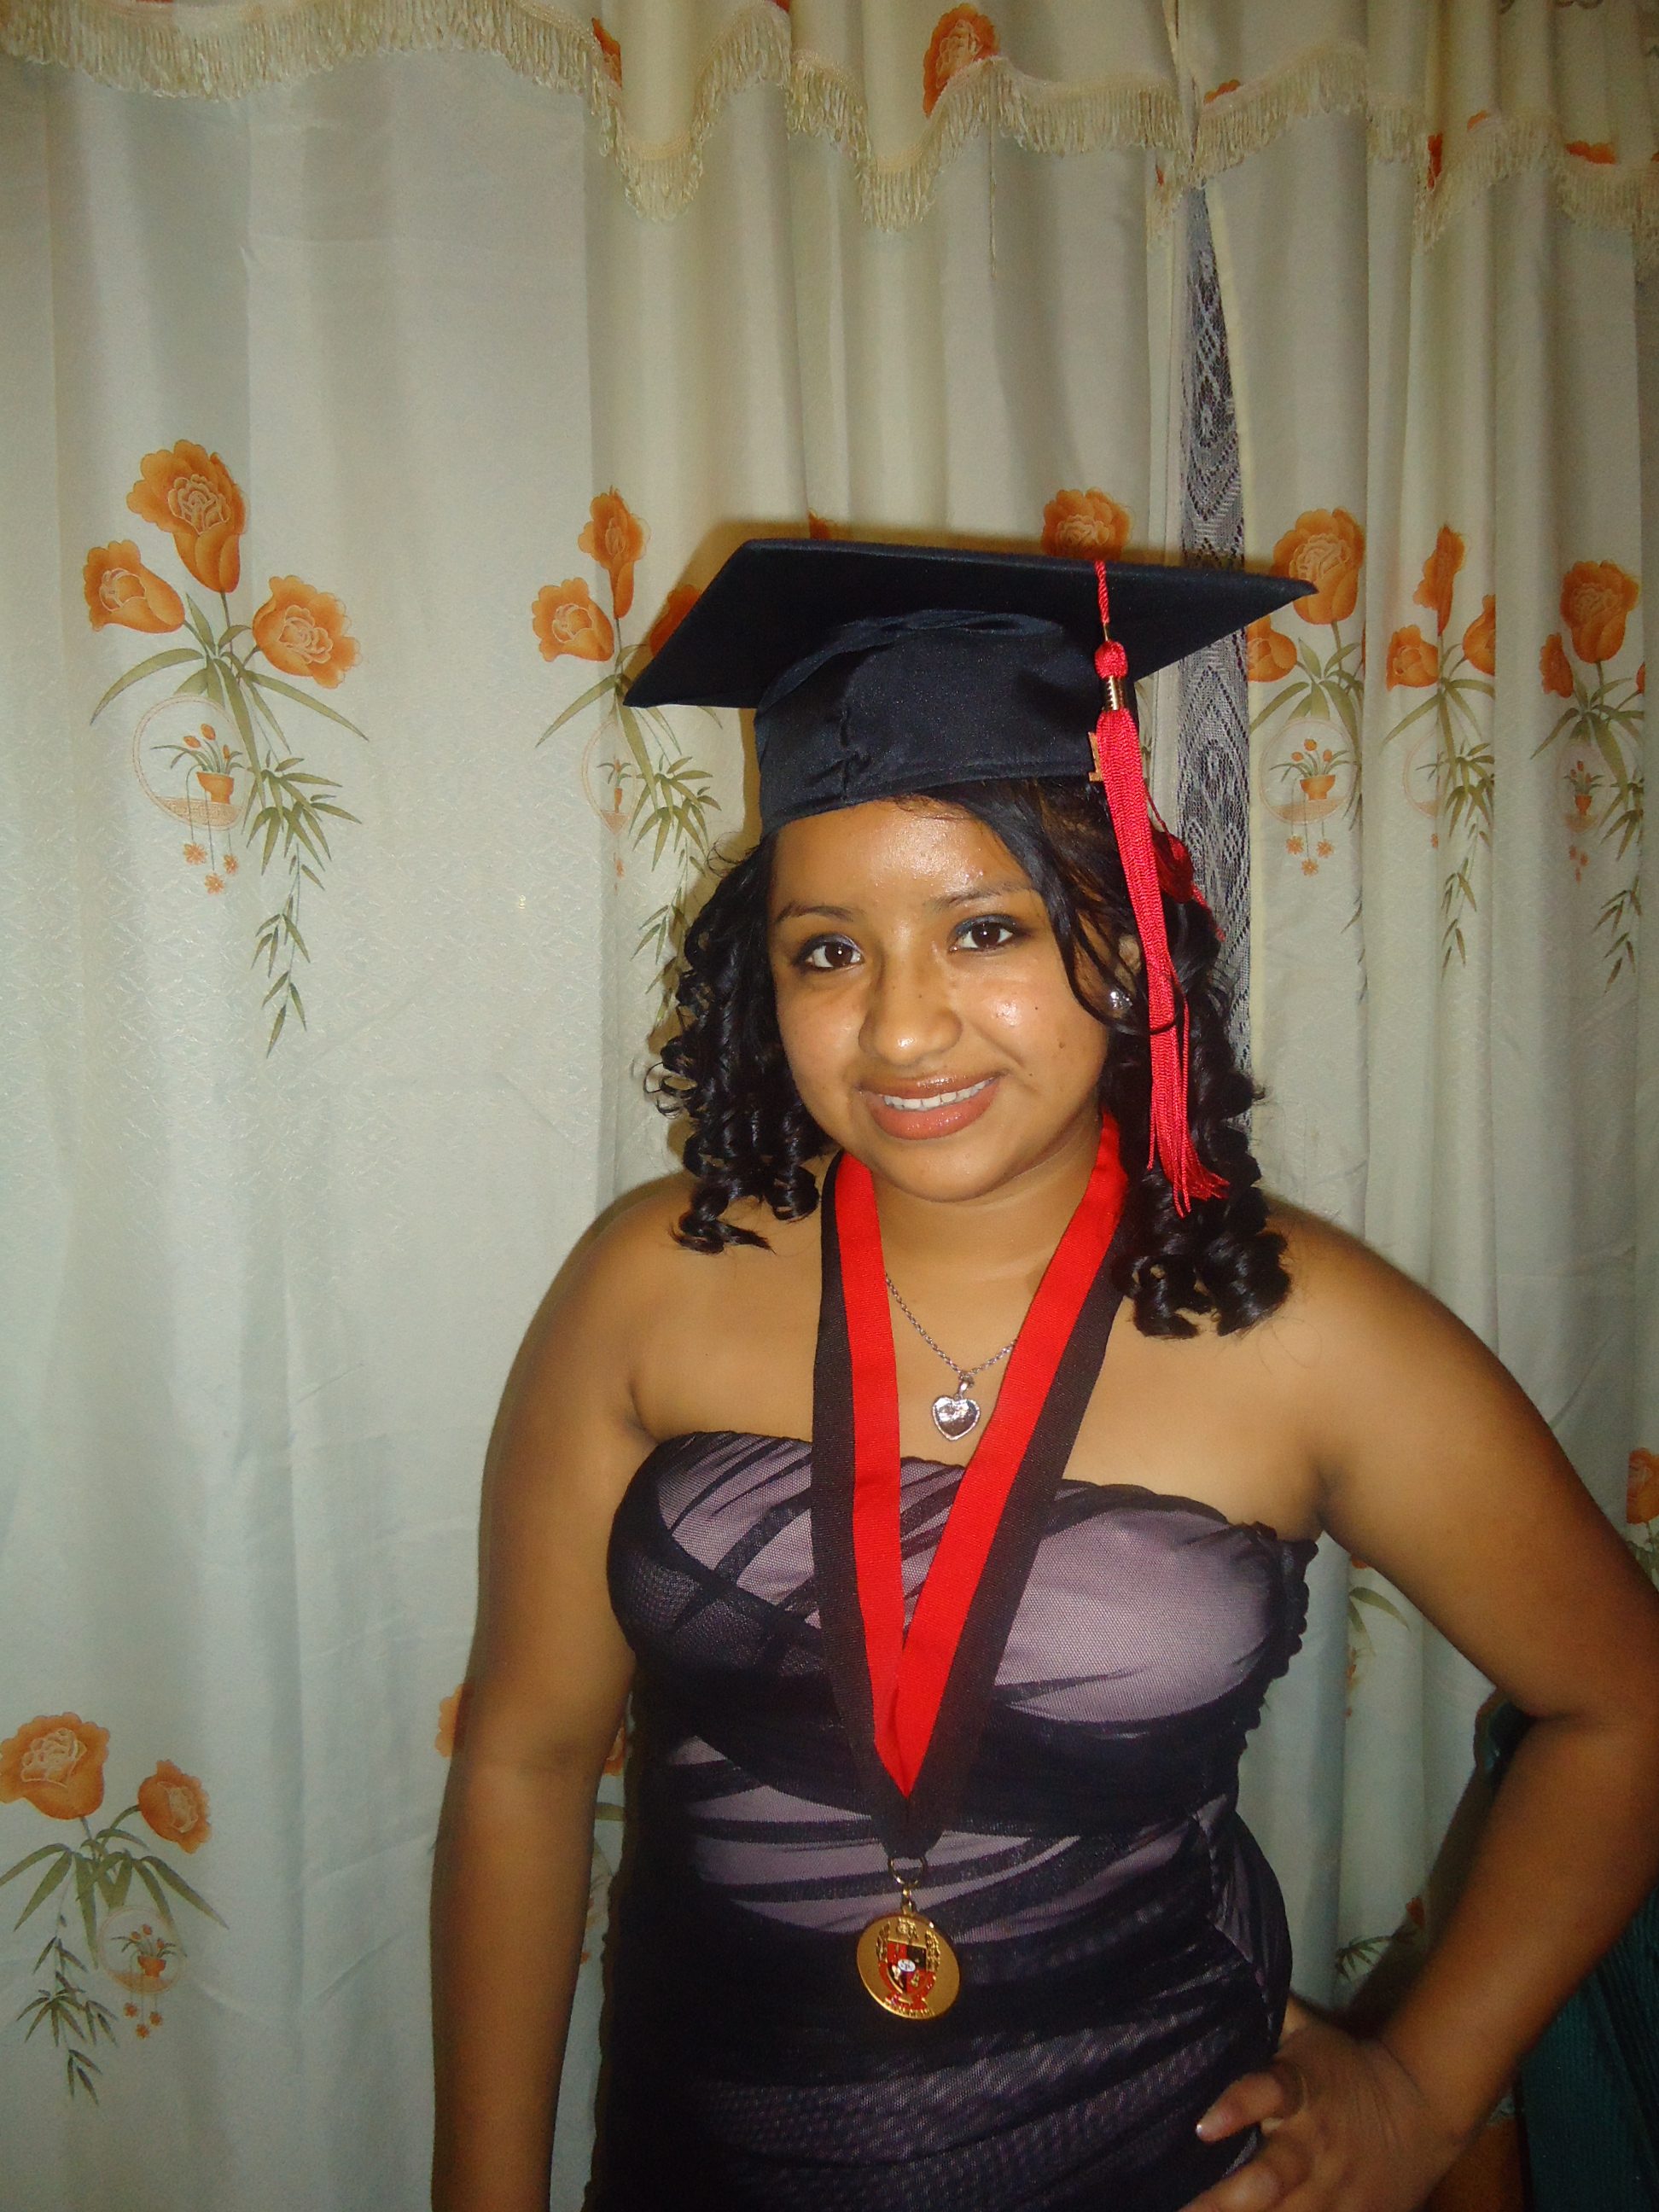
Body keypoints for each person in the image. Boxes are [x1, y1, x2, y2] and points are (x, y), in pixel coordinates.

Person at [430, 540, 1659, 2212]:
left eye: (986, 928)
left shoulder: (1304, 1329)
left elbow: (1623, 1706)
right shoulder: (653, 1282)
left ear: (1130, 936)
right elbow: (522, 1764)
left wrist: (1426, 2094)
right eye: (827, 950)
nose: (902, 1029)